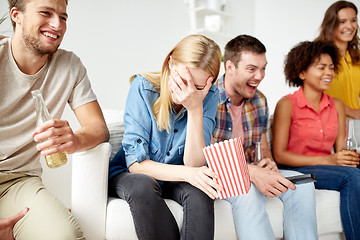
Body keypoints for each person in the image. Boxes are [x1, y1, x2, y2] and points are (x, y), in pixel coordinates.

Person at [0, 0, 109, 239]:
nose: (56, 24)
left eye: (63, 17)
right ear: (16, 15)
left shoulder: (69, 66)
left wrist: (76, 140)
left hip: (19, 182)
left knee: (65, 235)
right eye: (46, 13)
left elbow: (99, 128)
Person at [108, 34, 223, 240]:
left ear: (209, 84)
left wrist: (195, 108)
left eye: (197, 88)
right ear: (170, 63)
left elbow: (194, 164)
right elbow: (136, 165)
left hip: (176, 176)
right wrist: (188, 174)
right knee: (143, 184)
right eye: (184, 81)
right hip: (131, 174)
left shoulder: (210, 96)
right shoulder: (143, 87)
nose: (188, 92)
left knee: (201, 191)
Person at [212, 34, 318, 240]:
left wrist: (267, 164)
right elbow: (203, 159)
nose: (260, 76)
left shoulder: (259, 100)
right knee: (247, 189)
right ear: (230, 67)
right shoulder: (208, 98)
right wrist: (247, 171)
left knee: (302, 185)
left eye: (263, 69)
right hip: (219, 175)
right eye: (252, 69)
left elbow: (262, 148)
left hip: (250, 170)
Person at [272, 40, 360, 240]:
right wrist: (329, 160)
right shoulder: (287, 104)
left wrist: (348, 158)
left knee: (353, 171)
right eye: (321, 68)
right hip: (298, 170)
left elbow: (341, 150)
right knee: (351, 177)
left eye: (331, 67)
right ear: (302, 73)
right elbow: (280, 155)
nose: (328, 73)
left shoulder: (336, 105)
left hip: (328, 169)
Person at [316, 1, 360, 117]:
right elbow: (313, 94)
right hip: (327, 123)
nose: (349, 26)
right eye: (342, 22)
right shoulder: (319, 55)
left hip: (354, 125)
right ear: (331, 24)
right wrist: (352, 112)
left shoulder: (357, 56)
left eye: (353, 20)